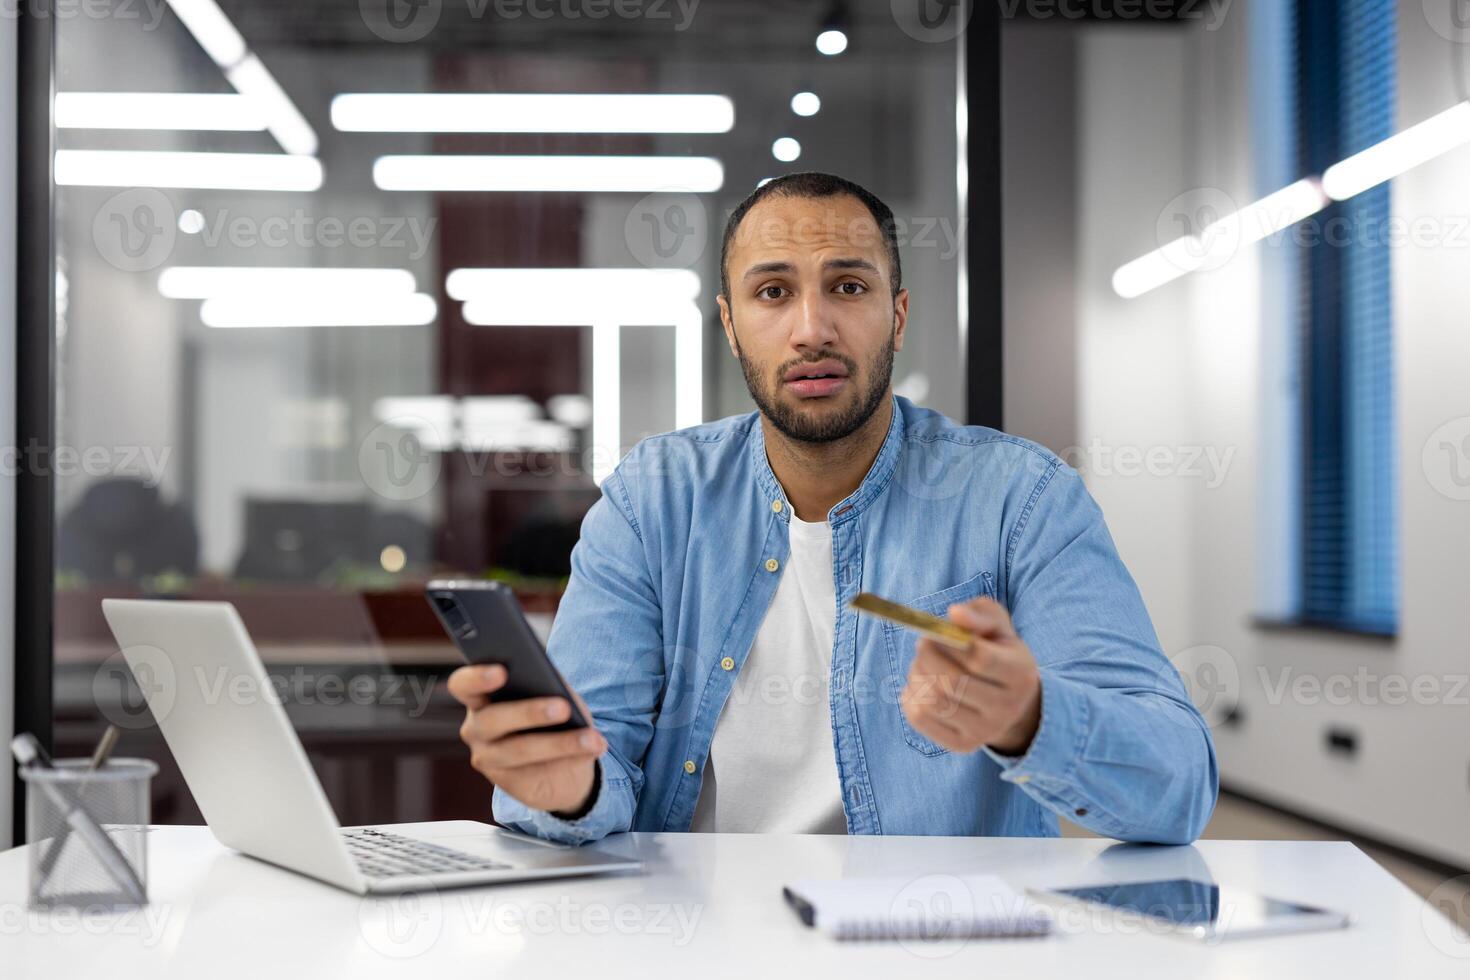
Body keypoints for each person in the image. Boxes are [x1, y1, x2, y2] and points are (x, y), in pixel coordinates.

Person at [449, 172, 1218, 844]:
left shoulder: (1021, 498)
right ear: (730, 324)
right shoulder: (654, 500)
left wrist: (1032, 719)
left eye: (848, 287)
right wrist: (567, 789)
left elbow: (1177, 790)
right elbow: (596, 759)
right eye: (772, 292)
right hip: (699, 944)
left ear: (899, 314)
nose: (811, 328)